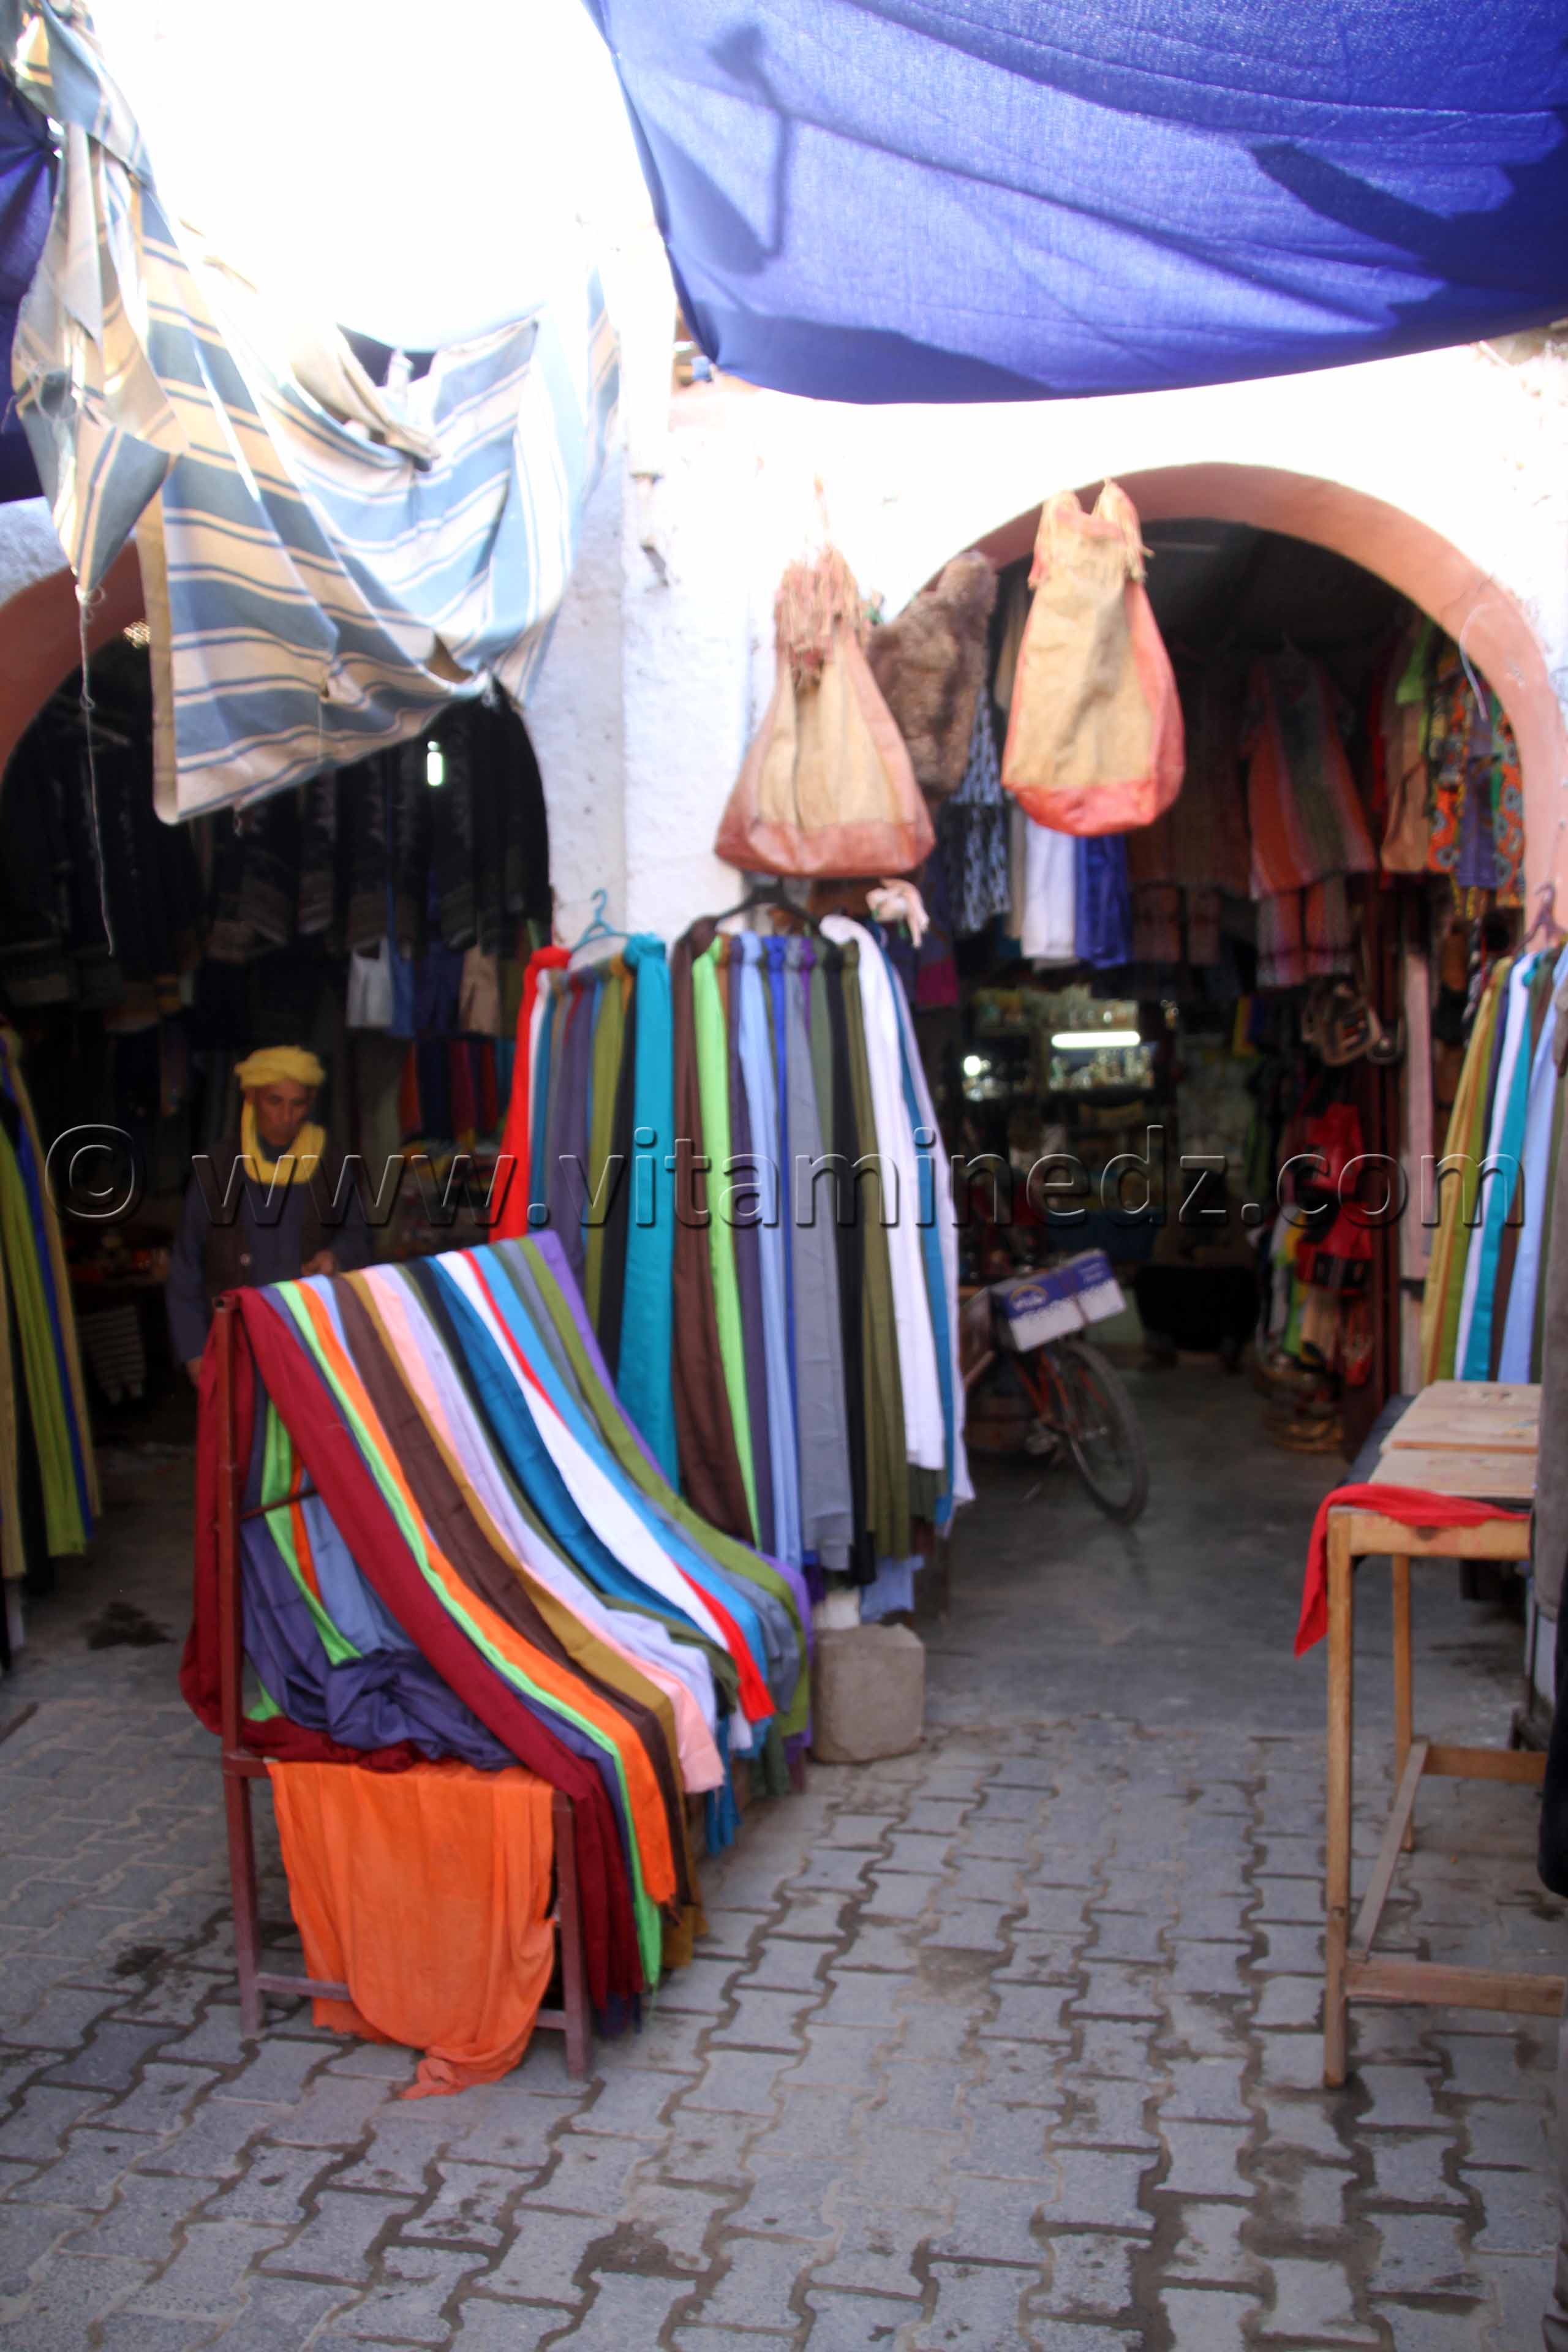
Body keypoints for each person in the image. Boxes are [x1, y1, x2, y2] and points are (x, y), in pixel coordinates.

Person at [165, 1046, 371, 1382]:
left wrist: (336, 1256)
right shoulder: (217, 1167)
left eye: (298, 1104)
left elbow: (359, 1234)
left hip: (310, 1341)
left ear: (312, 1102)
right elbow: (187, 1266)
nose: (286, 1116)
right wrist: (194, 1352)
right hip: (236, 1343)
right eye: (275, 1102)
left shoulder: (329, 1162)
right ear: (251, 1097)